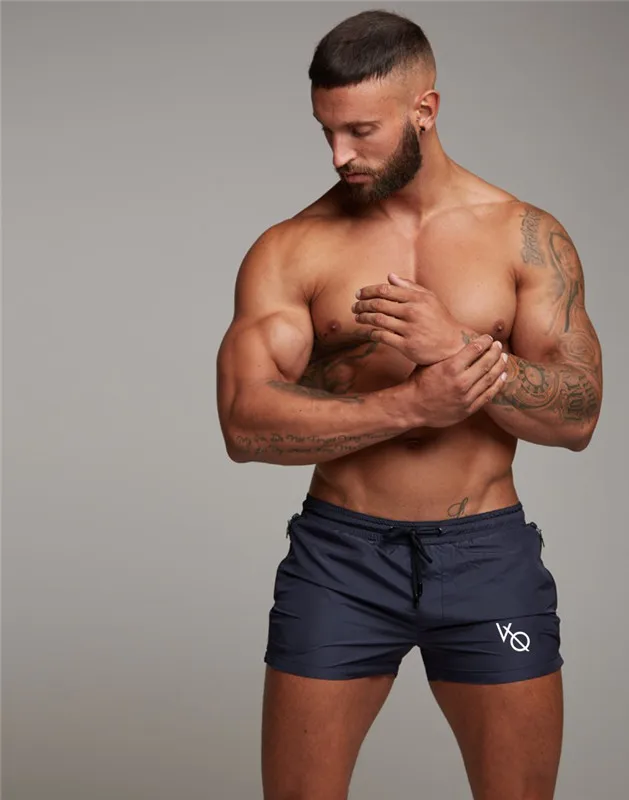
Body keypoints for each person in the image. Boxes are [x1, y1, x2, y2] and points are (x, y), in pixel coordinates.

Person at [215, 9, 603, 800]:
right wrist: (410, 405)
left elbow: (579, 415)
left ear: (425, 109)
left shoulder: (523, 236)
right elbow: (244, 423)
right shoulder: (292, 248)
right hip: (341, 559)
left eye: (361, 131)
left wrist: (455, 346)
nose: (339, 155)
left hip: (487, 557)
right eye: (326, 131)